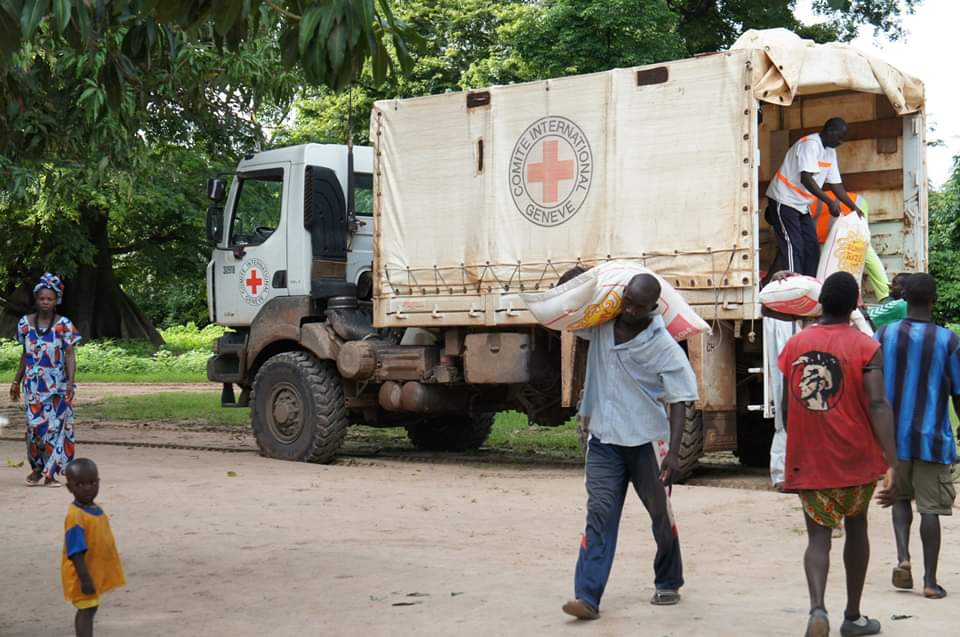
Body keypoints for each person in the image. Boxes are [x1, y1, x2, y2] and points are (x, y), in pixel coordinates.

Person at [560, 269, 699, 620]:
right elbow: (570, 311)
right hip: (604, 439)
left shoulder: (663, 345)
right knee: (600, 514)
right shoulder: (601, 326)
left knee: (659, 515)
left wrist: (676, 453)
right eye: (628, 304)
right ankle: (587, 596)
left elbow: (681, 399)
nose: (631, 312)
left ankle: (668, 579)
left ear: (653, 307)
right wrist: (576, 280)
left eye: (640, 307)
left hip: (647, 442)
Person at [778, 271, 897, 637]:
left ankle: (817, 610)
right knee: (856, 528)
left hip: (810, 459)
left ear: (821, 303)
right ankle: (854, 616)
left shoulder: (796, 344)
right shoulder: (865, 347)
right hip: (856, 460)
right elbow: (878, 404)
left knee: (818, 538)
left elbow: (785, 406)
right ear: (855, 305)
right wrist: (893, 461)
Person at [875, 273, 960, 599]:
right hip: (932, 438)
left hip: (895, 439)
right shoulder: (948, 341)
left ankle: (903, 558)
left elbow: (874, 388)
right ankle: (929, 580)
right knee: (930, 510)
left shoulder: (884, 334)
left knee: (899, 498)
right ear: (934, 300)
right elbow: (958, 391)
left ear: (904, 299)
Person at [9, 273, 82, 486]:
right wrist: (16, 381)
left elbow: (69, 354)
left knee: (56, 429)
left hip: (58, 386)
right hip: (33, 386)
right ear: (36, 299)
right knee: (34, 429)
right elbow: (25, 354)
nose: (45, 302)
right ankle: (37, 467)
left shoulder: (64, 325)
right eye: (41, 298)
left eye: (49, 299)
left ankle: (51, 474)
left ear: (56, 300)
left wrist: (70, 382)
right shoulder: (25, 324)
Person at [766, 118, 862, 277]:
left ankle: (808, 284)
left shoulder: (830, 152)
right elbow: (806, 178)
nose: (841, 142)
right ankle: (793, 287)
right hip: (783, 199)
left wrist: (853, 207)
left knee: (811, 247)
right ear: (830, 131)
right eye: (839, 137)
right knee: (793, 246)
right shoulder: (810, 145)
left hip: (802, 205)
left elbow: (836, 184)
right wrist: (829, 202)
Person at [62, 458, 125, 637]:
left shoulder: (94, 508)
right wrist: (85, 579)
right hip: (82, 574)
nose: (87, 488)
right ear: (70, 487)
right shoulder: (75, 516)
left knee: (91, 607)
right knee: (87, 610)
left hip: (93, 570)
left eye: (92, 482)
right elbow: (75, 552)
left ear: (98, 482)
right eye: (80, 484)